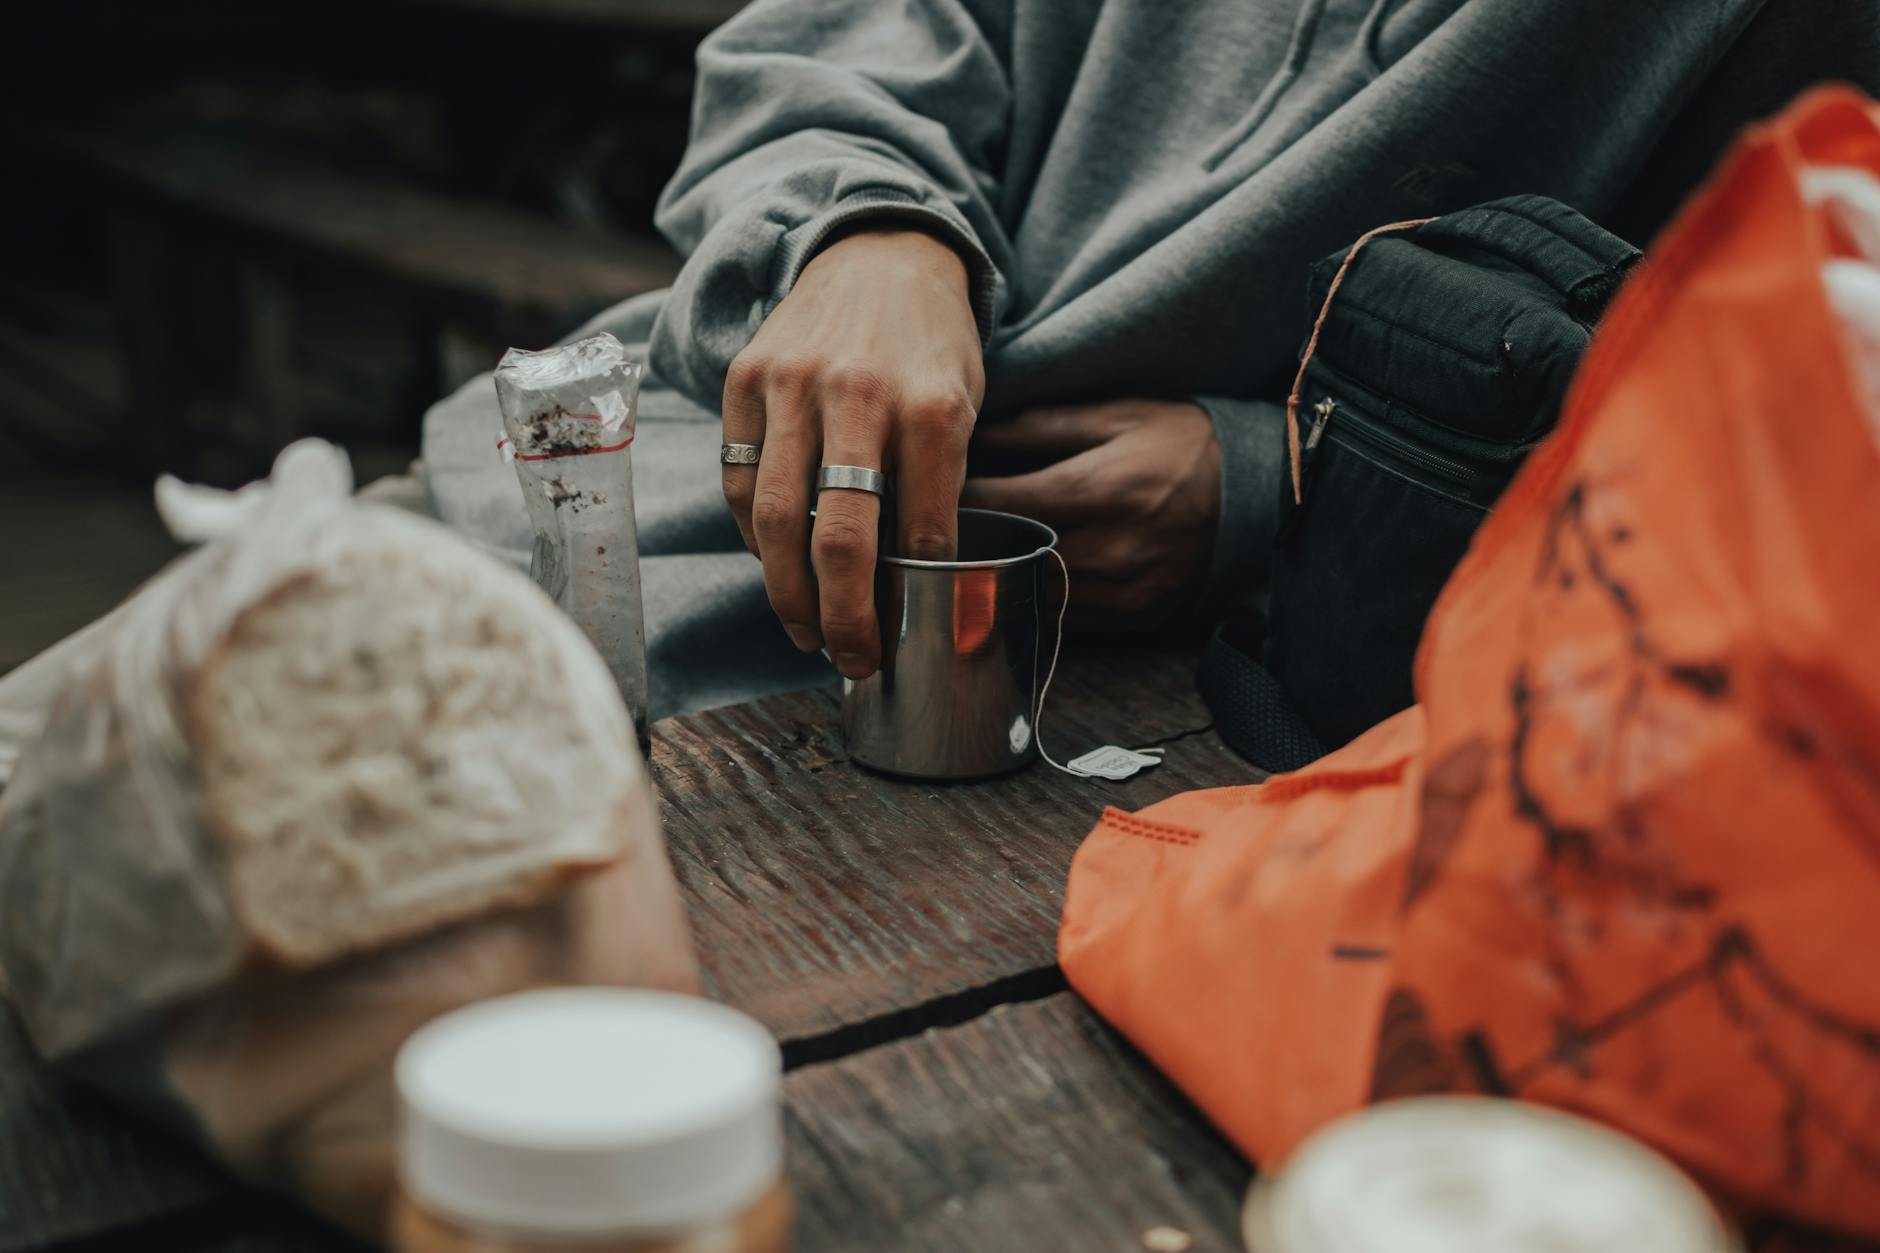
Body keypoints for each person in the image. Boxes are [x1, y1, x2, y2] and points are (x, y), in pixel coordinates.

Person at [424, 0, 1877, 718]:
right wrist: (867, 225)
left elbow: (1804, 464)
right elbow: (843, 32)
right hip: (672, 504)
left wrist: (1295, 485)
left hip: (1228, 716)